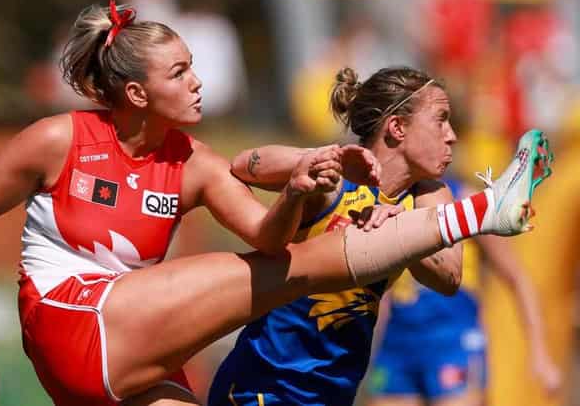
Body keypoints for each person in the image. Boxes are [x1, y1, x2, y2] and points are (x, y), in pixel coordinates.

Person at [0, 1, 551, 406]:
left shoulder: (192, 163)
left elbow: (267, 229)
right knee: (283, 273)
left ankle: (480, 212)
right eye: (182, 70)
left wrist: (295, 194)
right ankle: (486, 210)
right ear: (136, 92)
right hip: (74, 323)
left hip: (136, 358)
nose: (200, 81)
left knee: (280, 261)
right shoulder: (58, 138)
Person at [207, 66, 553, 406]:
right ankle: (489, 208)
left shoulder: (429, 194)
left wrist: (401, 232)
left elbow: (450, 276)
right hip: (268, 382)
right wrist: (312, 160)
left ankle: (487, 208)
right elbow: (242, 165)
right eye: (441, 119)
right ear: (398, 127)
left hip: (335, 388)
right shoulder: (337, 177)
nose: (452, 135)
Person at [366, 175, 562, 406]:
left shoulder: (466, 200)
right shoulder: (388, 204)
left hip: (454, 341)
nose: (449, 139)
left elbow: (517, 278)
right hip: (397, 343)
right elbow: (383, 291)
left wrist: (540, 353)